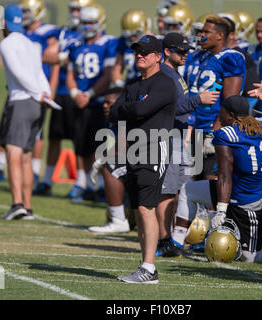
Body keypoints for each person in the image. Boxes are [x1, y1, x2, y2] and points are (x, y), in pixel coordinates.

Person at [163, 95, 262, 264]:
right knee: (189, 190)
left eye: (221, 112)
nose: (219, 116)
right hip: (232, 190)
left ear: (230, 115)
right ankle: (176, 242)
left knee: (250, 257)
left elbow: (224, 174)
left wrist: (221, 210)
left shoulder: (227, 134)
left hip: (247, 202)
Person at [109, 35, 177, 284]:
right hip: (134, 150)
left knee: (147, 208)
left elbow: (136, 110)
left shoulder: (164, 84)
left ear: (158, 57)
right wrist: (132, 108)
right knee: (138, 210)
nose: (140, 55)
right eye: (138, 51)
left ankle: (149, 268)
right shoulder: (134, 84)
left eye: (145, 52)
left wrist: (131, 108)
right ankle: (144, 266)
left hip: (154, 149)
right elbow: (114, 113)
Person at [0, 0, 59, 183]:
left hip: (38, 91)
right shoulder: (23, 35)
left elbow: (54, 61)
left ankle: (33, 176)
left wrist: (47, 90)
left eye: (27, 10)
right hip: (23, 89)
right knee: (6, 130)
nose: (24, 14)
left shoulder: (46, 33)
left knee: (30, 139)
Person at [156, 32, 218, 255]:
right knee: (167, 192)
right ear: (166, 52)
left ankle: (173, 239)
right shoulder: (164, 74)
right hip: (169, 138)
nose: (185, 55)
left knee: (180, 191)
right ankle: (163, 239)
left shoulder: (175, 74)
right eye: (180, 51)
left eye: (186, 51)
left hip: (179, 137)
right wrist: (198, 100)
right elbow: (171, 106)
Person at [0, 5, 51, 220]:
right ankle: (28, 207)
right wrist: (45, 93)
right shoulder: (31, 43)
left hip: (21, 101)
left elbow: (19, 73)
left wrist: (38, 92)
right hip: (37, 103)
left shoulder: (7, 43)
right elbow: (39, 73)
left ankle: (17, 203)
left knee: (13, 151)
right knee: (27, 156)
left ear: (4, 23)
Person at [32, 0, 86, 196]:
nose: (75, 13)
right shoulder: (62, 32)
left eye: (78, 9)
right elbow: (47, 56)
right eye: (73, 9)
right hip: (62, 93)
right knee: (54, 137)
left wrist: (64, 57)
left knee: (79, 141)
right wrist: (65, 58)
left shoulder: (88, 35)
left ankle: (81, 183)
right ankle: (46, 180)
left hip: (80, 93)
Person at [66, 3, 118, 203]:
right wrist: (74, 93)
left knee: (101, 147)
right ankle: (86, 184)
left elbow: (107, 75)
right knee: (81, 146)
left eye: (91, 23)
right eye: (84, 22)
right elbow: (70, 73)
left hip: (99, 103)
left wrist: (88, 93)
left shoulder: (108, 43)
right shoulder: (76, 43)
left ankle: (102, 187)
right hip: (80, 102)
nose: (87, 27)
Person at [191, 16, 246, 180]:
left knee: (212, 181)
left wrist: (215, 131)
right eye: (201, 31)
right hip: (199, 127)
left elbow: (231, 101)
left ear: (220, 35)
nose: (201, 35)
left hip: (213, 129)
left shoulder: (231, 57)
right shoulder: (205, 57)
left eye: (206, 32)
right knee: (196, 181)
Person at [88, 86, 131, 233]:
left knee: (111, 167)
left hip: (150, 165)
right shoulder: (111, 122)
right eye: (104, 103)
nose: (104, 106)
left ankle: (118, 220)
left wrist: (102, 161)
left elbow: (123, 147)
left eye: (109, 103)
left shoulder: (128, 118)